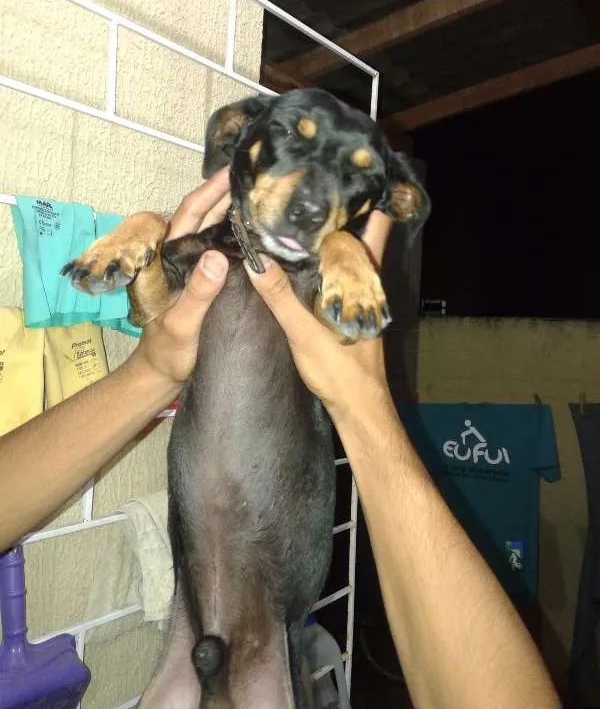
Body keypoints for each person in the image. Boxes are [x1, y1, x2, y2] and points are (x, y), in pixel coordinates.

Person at [0, 168, 560, 708]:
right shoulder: (210, 246)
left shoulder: (314, 256)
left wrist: (341, 253)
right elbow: (149, 301)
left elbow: (331, 307)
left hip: (267, 624)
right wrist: (147, 231)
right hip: (195, 601)